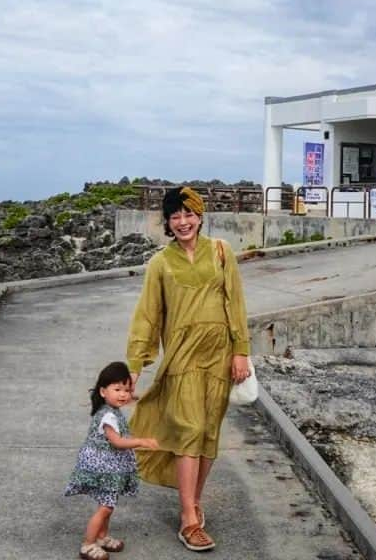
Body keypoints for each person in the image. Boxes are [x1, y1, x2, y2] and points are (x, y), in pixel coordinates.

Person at [126, 186, 251, 553]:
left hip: (220, 356)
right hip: (182, 358)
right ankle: (188, 520)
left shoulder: (221, 251)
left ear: (200, 216)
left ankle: (194, 503)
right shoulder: (161, 263)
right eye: (175, 216)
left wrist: (240, 351)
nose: (182, 222)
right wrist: (136, 364)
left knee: (208, 433)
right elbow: (147, 317)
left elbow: (236, 303)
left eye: (188, 214)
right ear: (167, 222)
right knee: (189, 430)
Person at [64, 360, 160, 560]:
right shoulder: (108, 417)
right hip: (102, 467)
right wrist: (141, 441)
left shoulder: (111, 409)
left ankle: (102, 537)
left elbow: (131, 397)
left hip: (108, 467)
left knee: (107, 504)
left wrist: (141, 396)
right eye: (117, 389)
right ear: (102, 392)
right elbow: (117, 442)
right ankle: (88, 544)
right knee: (105, 507)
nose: (123, 394)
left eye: (126, 389)